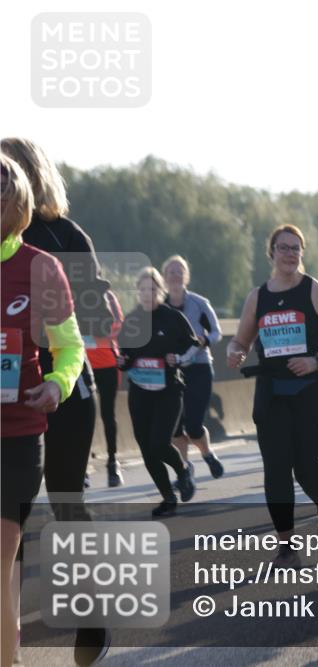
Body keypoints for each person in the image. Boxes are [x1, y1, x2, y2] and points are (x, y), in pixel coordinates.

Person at [3, 137, 114, 665]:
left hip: (66, 389)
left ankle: (91, 616)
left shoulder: (65, 237)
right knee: (12, 518)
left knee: (67, 502)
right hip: (12, 395)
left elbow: (94, 320)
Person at [227, 225, 318, 566]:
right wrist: (235, 352)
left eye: (295, 248)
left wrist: (315, 361)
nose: (290, 253)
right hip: (272, 393)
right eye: (283, 247)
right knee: (276, 469)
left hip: (310, 392)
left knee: (309, 470)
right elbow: (240, 340)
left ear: (302, 253)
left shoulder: (316, 291)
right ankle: (286, 545)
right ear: (272, 253)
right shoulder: (258, 297)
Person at [119, 268, 200, 516]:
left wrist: (179, 358)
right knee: (146, 449)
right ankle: (168, 498)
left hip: (169, 390)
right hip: (140, 391)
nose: (147, 294)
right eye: (143, 289)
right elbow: (125, 355)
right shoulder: (132, 320)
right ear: (137, 292)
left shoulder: (173, 317)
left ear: (161, 291)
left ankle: (183, 470)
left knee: (159, 443)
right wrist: (123, 361)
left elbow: (193, 345)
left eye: (152, 289)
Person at [162, 256, 225, 481]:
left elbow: (217, 332)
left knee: (194, 426)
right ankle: (185, 470)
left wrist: (204, 340)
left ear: (186, 276)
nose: (176, 275)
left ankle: (207, 454)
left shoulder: (199, 303)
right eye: (171, 272)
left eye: (180, 271)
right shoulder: (159, 307)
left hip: (199, 368)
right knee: (176, 426)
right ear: (164, 277)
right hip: (171, 371)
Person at [85, 290, 125, 487]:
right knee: (82, 417)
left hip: (108, 364)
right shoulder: (72, 293)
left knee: (108, 415)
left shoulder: (108, 296)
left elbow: (118, 324)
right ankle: (82, 466)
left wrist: (95, 331)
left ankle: (112, 462)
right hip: (82, 365)